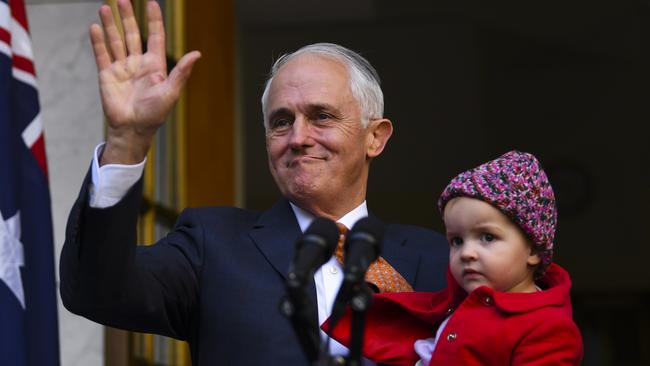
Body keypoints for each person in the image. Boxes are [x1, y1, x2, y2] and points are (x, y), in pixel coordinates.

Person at [59, 0, 449, 365]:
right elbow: (97, 291)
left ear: (375, 137)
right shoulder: (213, 245)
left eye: (322, 117)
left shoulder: (438, 259)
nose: (298, 137)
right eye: (281, 122)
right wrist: (127, 141)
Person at [327, 151, 584, 365]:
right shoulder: (459, 307)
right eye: (457, 241)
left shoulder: (548, 329)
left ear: (533, 251)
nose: (467, 253)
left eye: (487, 238)